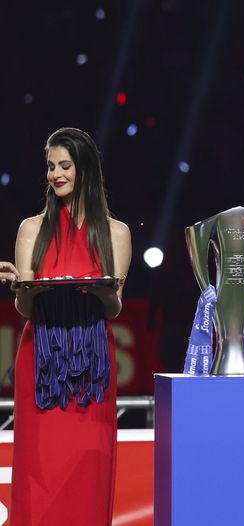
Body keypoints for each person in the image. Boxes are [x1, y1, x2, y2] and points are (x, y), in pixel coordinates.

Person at [9, 127, 132, 525]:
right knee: (39, 475)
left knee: (86, 476)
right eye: (50, 167)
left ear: (86, 169)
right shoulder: (32, 229)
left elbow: (113, 308)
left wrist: (101, 291)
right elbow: (25, 307)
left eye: (65, 165)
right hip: (41, 364)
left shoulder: (116, 233)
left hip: (92, 368)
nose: (55, 174)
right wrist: (21, 287)